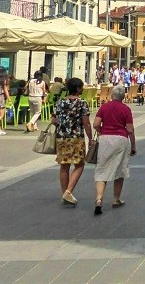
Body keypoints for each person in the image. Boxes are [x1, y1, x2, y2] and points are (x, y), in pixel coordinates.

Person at [92, 85, 136, 214]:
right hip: (120, 139)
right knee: (120, 168)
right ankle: (116, 199)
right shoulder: (126, 109)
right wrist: (133, 145)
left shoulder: (104, 107)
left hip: (105, 139)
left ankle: (99, 199)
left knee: (102, 168)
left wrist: (102, 131)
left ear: (112, 95)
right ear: (123, 96)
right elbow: (130, 129)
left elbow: (95, 124)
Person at [51, 77, 93, 205]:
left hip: (62, 137)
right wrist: (90, 138)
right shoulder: (81, 103)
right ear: (78, 88)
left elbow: (53, 120)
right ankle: (68, 192)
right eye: (81, 87)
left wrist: (63, 122)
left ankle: (65, 193)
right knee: (79, 164)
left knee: (64, 166)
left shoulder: (60, 102)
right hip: (76, 137)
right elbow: (86, 123)